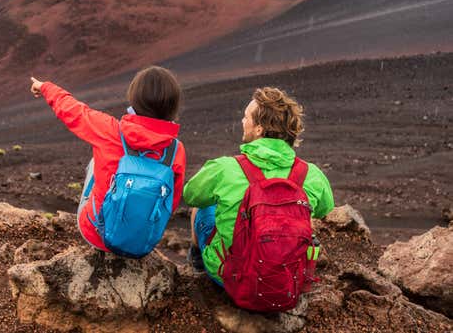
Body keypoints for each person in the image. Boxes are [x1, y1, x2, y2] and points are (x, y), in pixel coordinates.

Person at [183, 87, 334, 290]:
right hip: (286, 280)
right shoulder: (311, 174)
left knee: (203, 208)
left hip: (236, 278)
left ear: (259, 129)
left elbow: (191, 195)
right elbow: (325, 209)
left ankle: (198, 264)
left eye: (246, 118)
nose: (243, 122)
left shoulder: (225, 168)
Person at [30, 66, 187, 255]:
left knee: (97, 161)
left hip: (97, 234)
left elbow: (73, 110)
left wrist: (45, 87)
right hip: (142, 242)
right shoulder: (175, 150)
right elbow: (172, 201)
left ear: (135, 100)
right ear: (173, 105)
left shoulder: (109, 130)